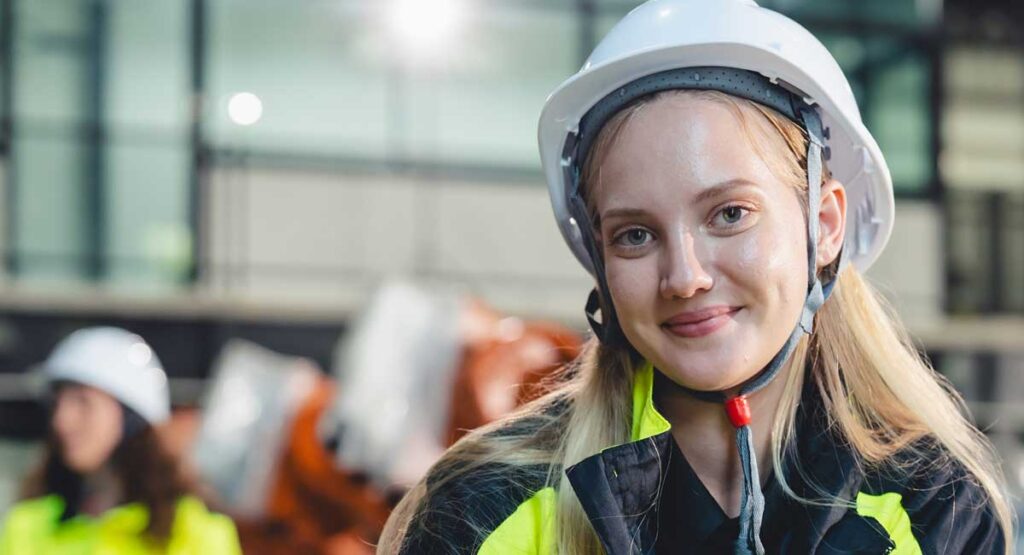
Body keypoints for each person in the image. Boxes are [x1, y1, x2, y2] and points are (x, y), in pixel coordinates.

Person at [377, 0, 1014, 553]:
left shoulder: (936, 509)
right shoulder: (484, 511)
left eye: (729, 214)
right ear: (600, 259)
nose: (684, 276)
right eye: (635, 234)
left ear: (823, 224)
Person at [0, 327, 242, 554]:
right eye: (58, 404)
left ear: (132, 417)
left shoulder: (196, 533)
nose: (61, 420)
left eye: (83, 402)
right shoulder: (26, 526)